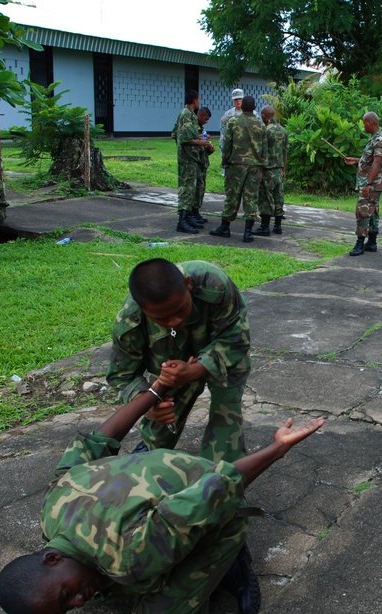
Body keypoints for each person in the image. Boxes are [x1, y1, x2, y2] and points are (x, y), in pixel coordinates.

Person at [0, 373, 324, 614]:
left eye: (67, 596)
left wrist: (276, 449)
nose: (79, 603)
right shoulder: (52, 511)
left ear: (51, 558)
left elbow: (215, 490)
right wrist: (156, 390)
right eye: (67, 609)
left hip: (214, 501)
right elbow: (99, 439)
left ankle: (230, 560)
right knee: (111, 583)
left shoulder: (129, 555)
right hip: (160, 482)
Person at [106, 258, 251, 463]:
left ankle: (223, 474)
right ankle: (150, 455)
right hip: (170, 363)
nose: (175, 321)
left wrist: (198, 369)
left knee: (226, 409)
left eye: (180, 309)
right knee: (163, 408)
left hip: (222, 353)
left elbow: (237, 338)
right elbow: (122, 376)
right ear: (142, 310)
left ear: (187, 284)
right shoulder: (130, 322)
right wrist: (147, 405)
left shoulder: (213, 284)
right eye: (162, 319)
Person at [211, 95, 266, 242]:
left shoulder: (233, 122)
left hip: (235, 164)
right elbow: (264, 149)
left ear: (242, 107)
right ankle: (248, 232)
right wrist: (262, 167)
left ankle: (225, 227)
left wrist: (225, 162)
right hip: (254, 166)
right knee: (251, 198)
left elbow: (227, 144)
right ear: (254, 108)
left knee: (232, 196)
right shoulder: (261, 125)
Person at [344, 112, 382, 257]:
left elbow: (377, 162)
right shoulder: (375, 139)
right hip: (373, 183)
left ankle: (360, 244)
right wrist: (356, 160)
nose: (363, 126)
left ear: (370, 123)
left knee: (363, 211)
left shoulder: (380, 140)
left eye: (364, 123)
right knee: (372, 211)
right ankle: (372, 242)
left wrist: (368, 183)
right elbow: (370, 160)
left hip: (372, 184)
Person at [172, 91, 213, 234]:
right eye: (198, 100)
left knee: (193, 188)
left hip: (192, 158)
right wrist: (202, 142)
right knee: (187, 189)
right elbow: (183, 138)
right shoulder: (187, 114)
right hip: (187, 159)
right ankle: (182, 221)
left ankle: (189, 217)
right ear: (195, 101)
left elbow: (175, 134)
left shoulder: (188, 115)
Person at [257, 105, 289, 236]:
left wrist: (259, 170)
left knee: (265, 198)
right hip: (279, 170)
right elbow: (285, 152)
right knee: (278, 197)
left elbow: (261, 152)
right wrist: (283, 169)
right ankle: (277, 226)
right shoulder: (283, 131)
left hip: (267, 170)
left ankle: (265, 227)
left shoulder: (265, 131)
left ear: (264, 116)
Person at [191, 106, 215, 224]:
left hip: (203, 162)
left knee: (201, 188)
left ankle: (196, 211)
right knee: (195, 188)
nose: (206, 121)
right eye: (205, 119)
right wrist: (199, 141)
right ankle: (191, 213)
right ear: (199, 115)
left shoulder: (201, 128)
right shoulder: (193, 128)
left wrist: (209, 146)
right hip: (195, 162)